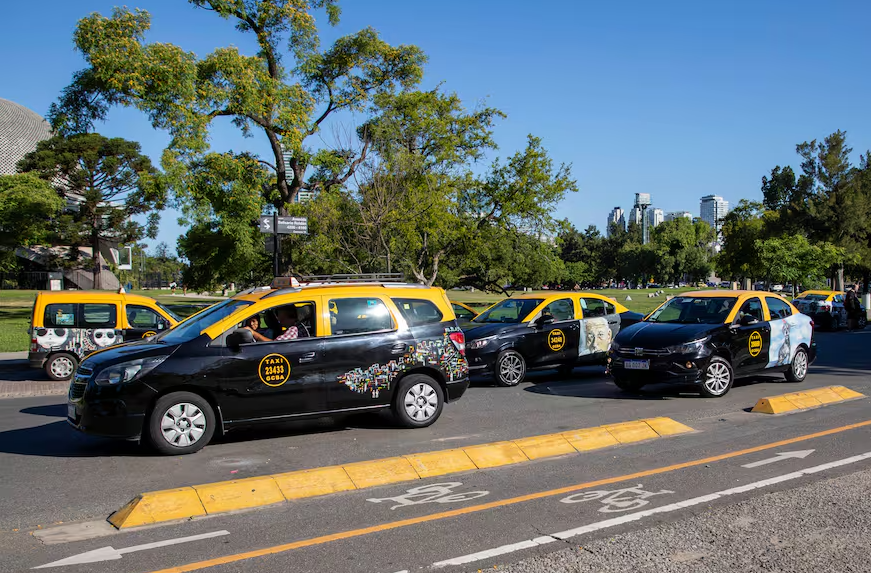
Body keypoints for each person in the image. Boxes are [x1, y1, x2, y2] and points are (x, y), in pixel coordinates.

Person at [243, 306, 309, 342]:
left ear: (290, 316)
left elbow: (274, 344)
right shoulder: (293, 327)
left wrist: (253, 333)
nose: (279, 321)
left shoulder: (294, 329)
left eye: (282, 318)